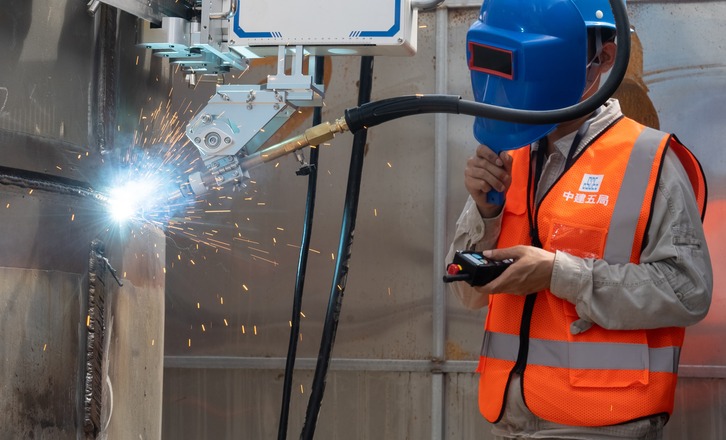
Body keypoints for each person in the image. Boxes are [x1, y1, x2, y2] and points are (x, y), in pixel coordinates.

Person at [447, 0, 713, 438]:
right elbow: (468, 296)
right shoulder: (510, 151)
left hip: (602, 424)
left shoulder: (649, 160)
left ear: (603, 58)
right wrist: (485, 210)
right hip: (509, 423)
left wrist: (559, 275)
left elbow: (689, 292)